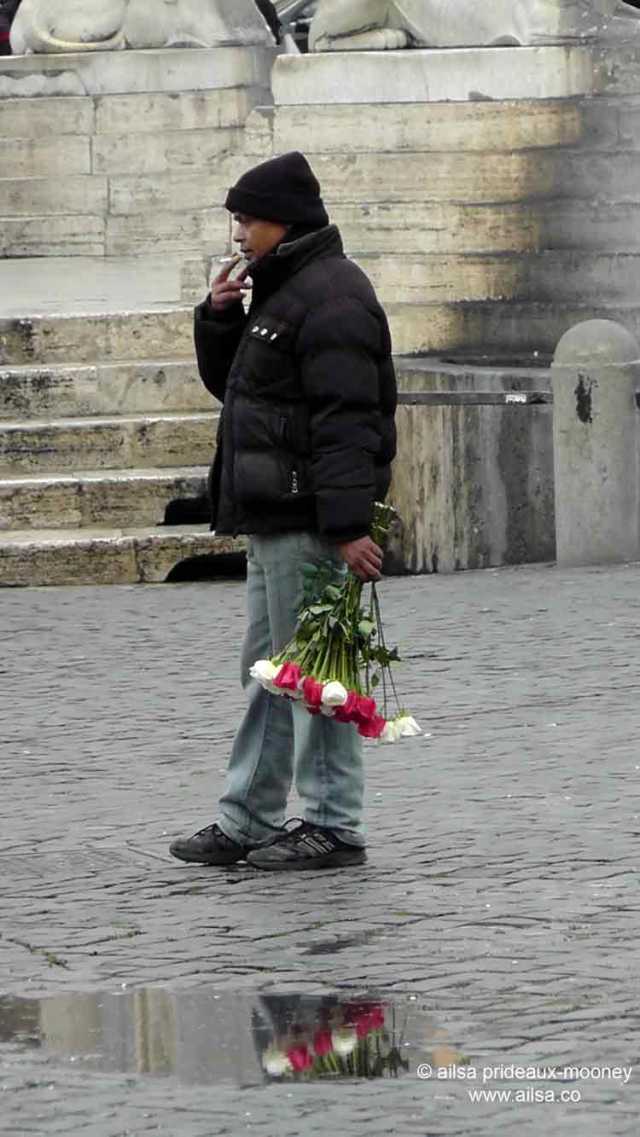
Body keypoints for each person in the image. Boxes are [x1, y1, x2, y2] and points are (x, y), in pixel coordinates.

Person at [169, 151, 396, 871]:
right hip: (273, 516)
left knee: (319, 676)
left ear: (284, 221)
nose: (238, 232)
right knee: (271, 673)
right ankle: (248, 817)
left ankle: (332, 821)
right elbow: (238, 389)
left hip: (311, 523)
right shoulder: (281, 290)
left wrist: (348, 524)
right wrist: (216, 318)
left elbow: (348, 418)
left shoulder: (332, 295)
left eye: (247, 218)